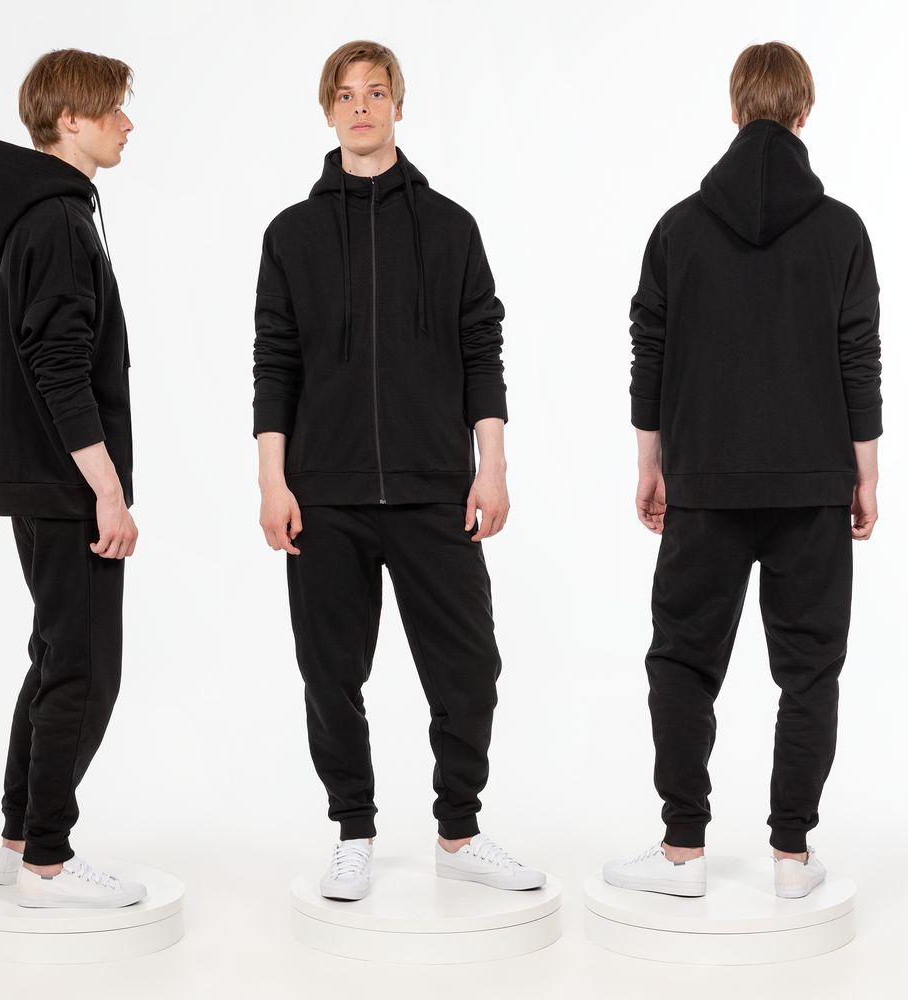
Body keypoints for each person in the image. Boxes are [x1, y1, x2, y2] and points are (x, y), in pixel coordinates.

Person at [253, 39, 545, 901]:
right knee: (331, 674)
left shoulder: (450, 227)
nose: (361, 106)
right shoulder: (293, 235)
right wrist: (273, 480)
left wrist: (491, 466)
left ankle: (459, 831)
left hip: (433, 490)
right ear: (328, 110)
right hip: (325, 495)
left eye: (376, 92)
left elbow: (482, 351)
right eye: (346, 94)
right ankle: (353, 831)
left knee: (470, 670)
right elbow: (275, 363)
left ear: (398, 106)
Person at [604, 41, 882, 900]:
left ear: (733, 111)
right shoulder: (841, 230)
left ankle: (682, 852)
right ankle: (793, 858)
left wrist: (651, 463)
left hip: (705, 482)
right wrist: (865, 475)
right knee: (810, 670)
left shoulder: (679, 228)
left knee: (682, 662)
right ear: (804, 114)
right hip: (812, 484)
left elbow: (649, 353)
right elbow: (858, 358)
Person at [0, 48, 146, 908]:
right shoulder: (59, 223)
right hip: (67, 486)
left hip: (38, 481)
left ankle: (18, 837)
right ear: (69, 120)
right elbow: (59, 368)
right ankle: (49, 854)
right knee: (83, 671)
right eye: (113, 109)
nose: (127, 123)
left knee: (54, 660)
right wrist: (108, 491)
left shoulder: (42, 216)